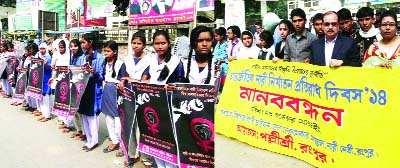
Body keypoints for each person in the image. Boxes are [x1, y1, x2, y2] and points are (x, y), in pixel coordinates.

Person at [141, 30, 184, 168]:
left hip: (170, 105)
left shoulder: (177, 63)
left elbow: (181, 84)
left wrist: (171, 87)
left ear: (169, 43)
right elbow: (145, 78)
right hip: (153, 104)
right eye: (157, 43)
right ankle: (160, 165)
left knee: (169, 139)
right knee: (156, 138)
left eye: (163, 43)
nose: (160, 46)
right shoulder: (151, 61)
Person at [117, 31, 154, 168]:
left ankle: (146, 158)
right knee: (130, 125)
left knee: (144, 127)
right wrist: (122, 81)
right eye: (134, 43)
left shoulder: (149, 60)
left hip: (143, 97)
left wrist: (130, 79)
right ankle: (132, 154)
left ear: (144, 45)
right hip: (128, 96)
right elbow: (122, 75)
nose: (136, 46)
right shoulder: (127, 59)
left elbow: (145, 80)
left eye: (139, 43)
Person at [76, 33, 104, 152]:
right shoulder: (81, 57)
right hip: (83, 89)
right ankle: (88, 139)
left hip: (93, 89)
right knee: (83, 114)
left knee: (92, 116)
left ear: (90, 42)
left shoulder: (100, 58)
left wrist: (94, 72)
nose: (82, 44)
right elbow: (77, 72)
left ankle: (94, 141)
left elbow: (102, 77)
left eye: (83, 42)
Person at [101, 40, 123, 154]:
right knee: (108, 117)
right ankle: (114, 140)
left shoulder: (120, 64)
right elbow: (102, 76)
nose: (105, 53)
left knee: (118, 119)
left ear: (114, 52)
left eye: (108, 51)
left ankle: (121, 141)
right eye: (104, 51)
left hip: (116, 92)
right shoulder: (104, 62)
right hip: (107, 91)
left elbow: (123, 78)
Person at [68, 39, 86, 141]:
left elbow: (83, 72)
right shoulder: (72, 57)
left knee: (80, 110)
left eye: (75, 46)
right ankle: (78, 130)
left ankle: (84, 132)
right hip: (72, 85)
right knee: (73, 109)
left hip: (80, 86)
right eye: (71, 46)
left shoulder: (82, 57)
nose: (73, 48)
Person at [34, 43, 52, 122]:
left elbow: (51, 68)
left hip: (47, 79)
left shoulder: (48, 57)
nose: (42, 50)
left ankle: (47, 115)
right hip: (40, 79)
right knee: (41, 97)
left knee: (46, 97)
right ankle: (43, 113)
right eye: (40, 48)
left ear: (46, 49)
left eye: (43, 48)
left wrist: (47, 64)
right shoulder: (39, 57)